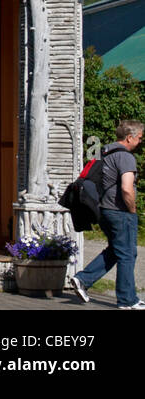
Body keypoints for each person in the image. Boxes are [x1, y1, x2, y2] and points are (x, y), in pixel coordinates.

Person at [73, 120, 143, 309]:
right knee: (127, 254)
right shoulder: (126, 157)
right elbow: (127, 189)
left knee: (116, 250)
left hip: (103, 210)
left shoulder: (104, 151)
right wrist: (132, 210)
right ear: (129, 137)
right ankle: (127, 300)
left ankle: (83, 279)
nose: (140, 142)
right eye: (139, 138)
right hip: (119, 211)